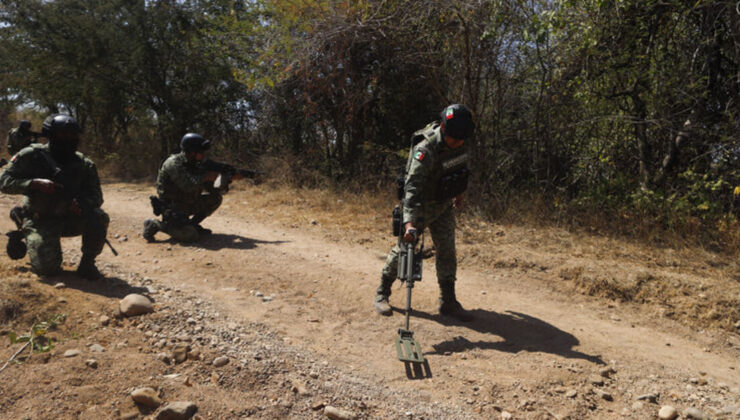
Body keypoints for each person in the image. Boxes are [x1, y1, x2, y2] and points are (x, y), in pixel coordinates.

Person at [374, 104, 475, 321]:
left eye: (461, 139)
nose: (458, 143)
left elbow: (459, 167)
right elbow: (412, 189)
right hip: (419, 204)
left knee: (447, 251)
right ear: (444, 129)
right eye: (454, 139)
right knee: (404, 248)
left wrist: (459, 192)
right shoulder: (425, 149)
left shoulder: (460, 139)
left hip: (443, 204)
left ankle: (448, 301)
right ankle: (382, 292)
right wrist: (409, 223)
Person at [0, 114, 109, 279]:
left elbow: (96, 196)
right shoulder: (31, 155)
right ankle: (22, 223)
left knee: (98, 217)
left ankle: (88, 264)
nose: (69, 139)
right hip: (39, 220)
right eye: (63, 135)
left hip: (69, 218)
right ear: (51, 135)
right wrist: (33, 183)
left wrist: (82, 204)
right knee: (48, 271)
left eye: (73, 135)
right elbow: (4, 182)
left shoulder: (84, 163)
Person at [143, 133, 226, 243]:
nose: (204, 155)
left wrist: (222, 180)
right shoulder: (173, 163)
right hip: (173, 208)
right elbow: (187, 186)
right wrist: (206, 177)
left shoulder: (196, 164)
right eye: (201, 152)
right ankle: (157, 225)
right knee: (190, 236)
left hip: (189, 203)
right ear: (192, 152)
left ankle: (192, 224)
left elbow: (213, 190)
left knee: (216, 198)